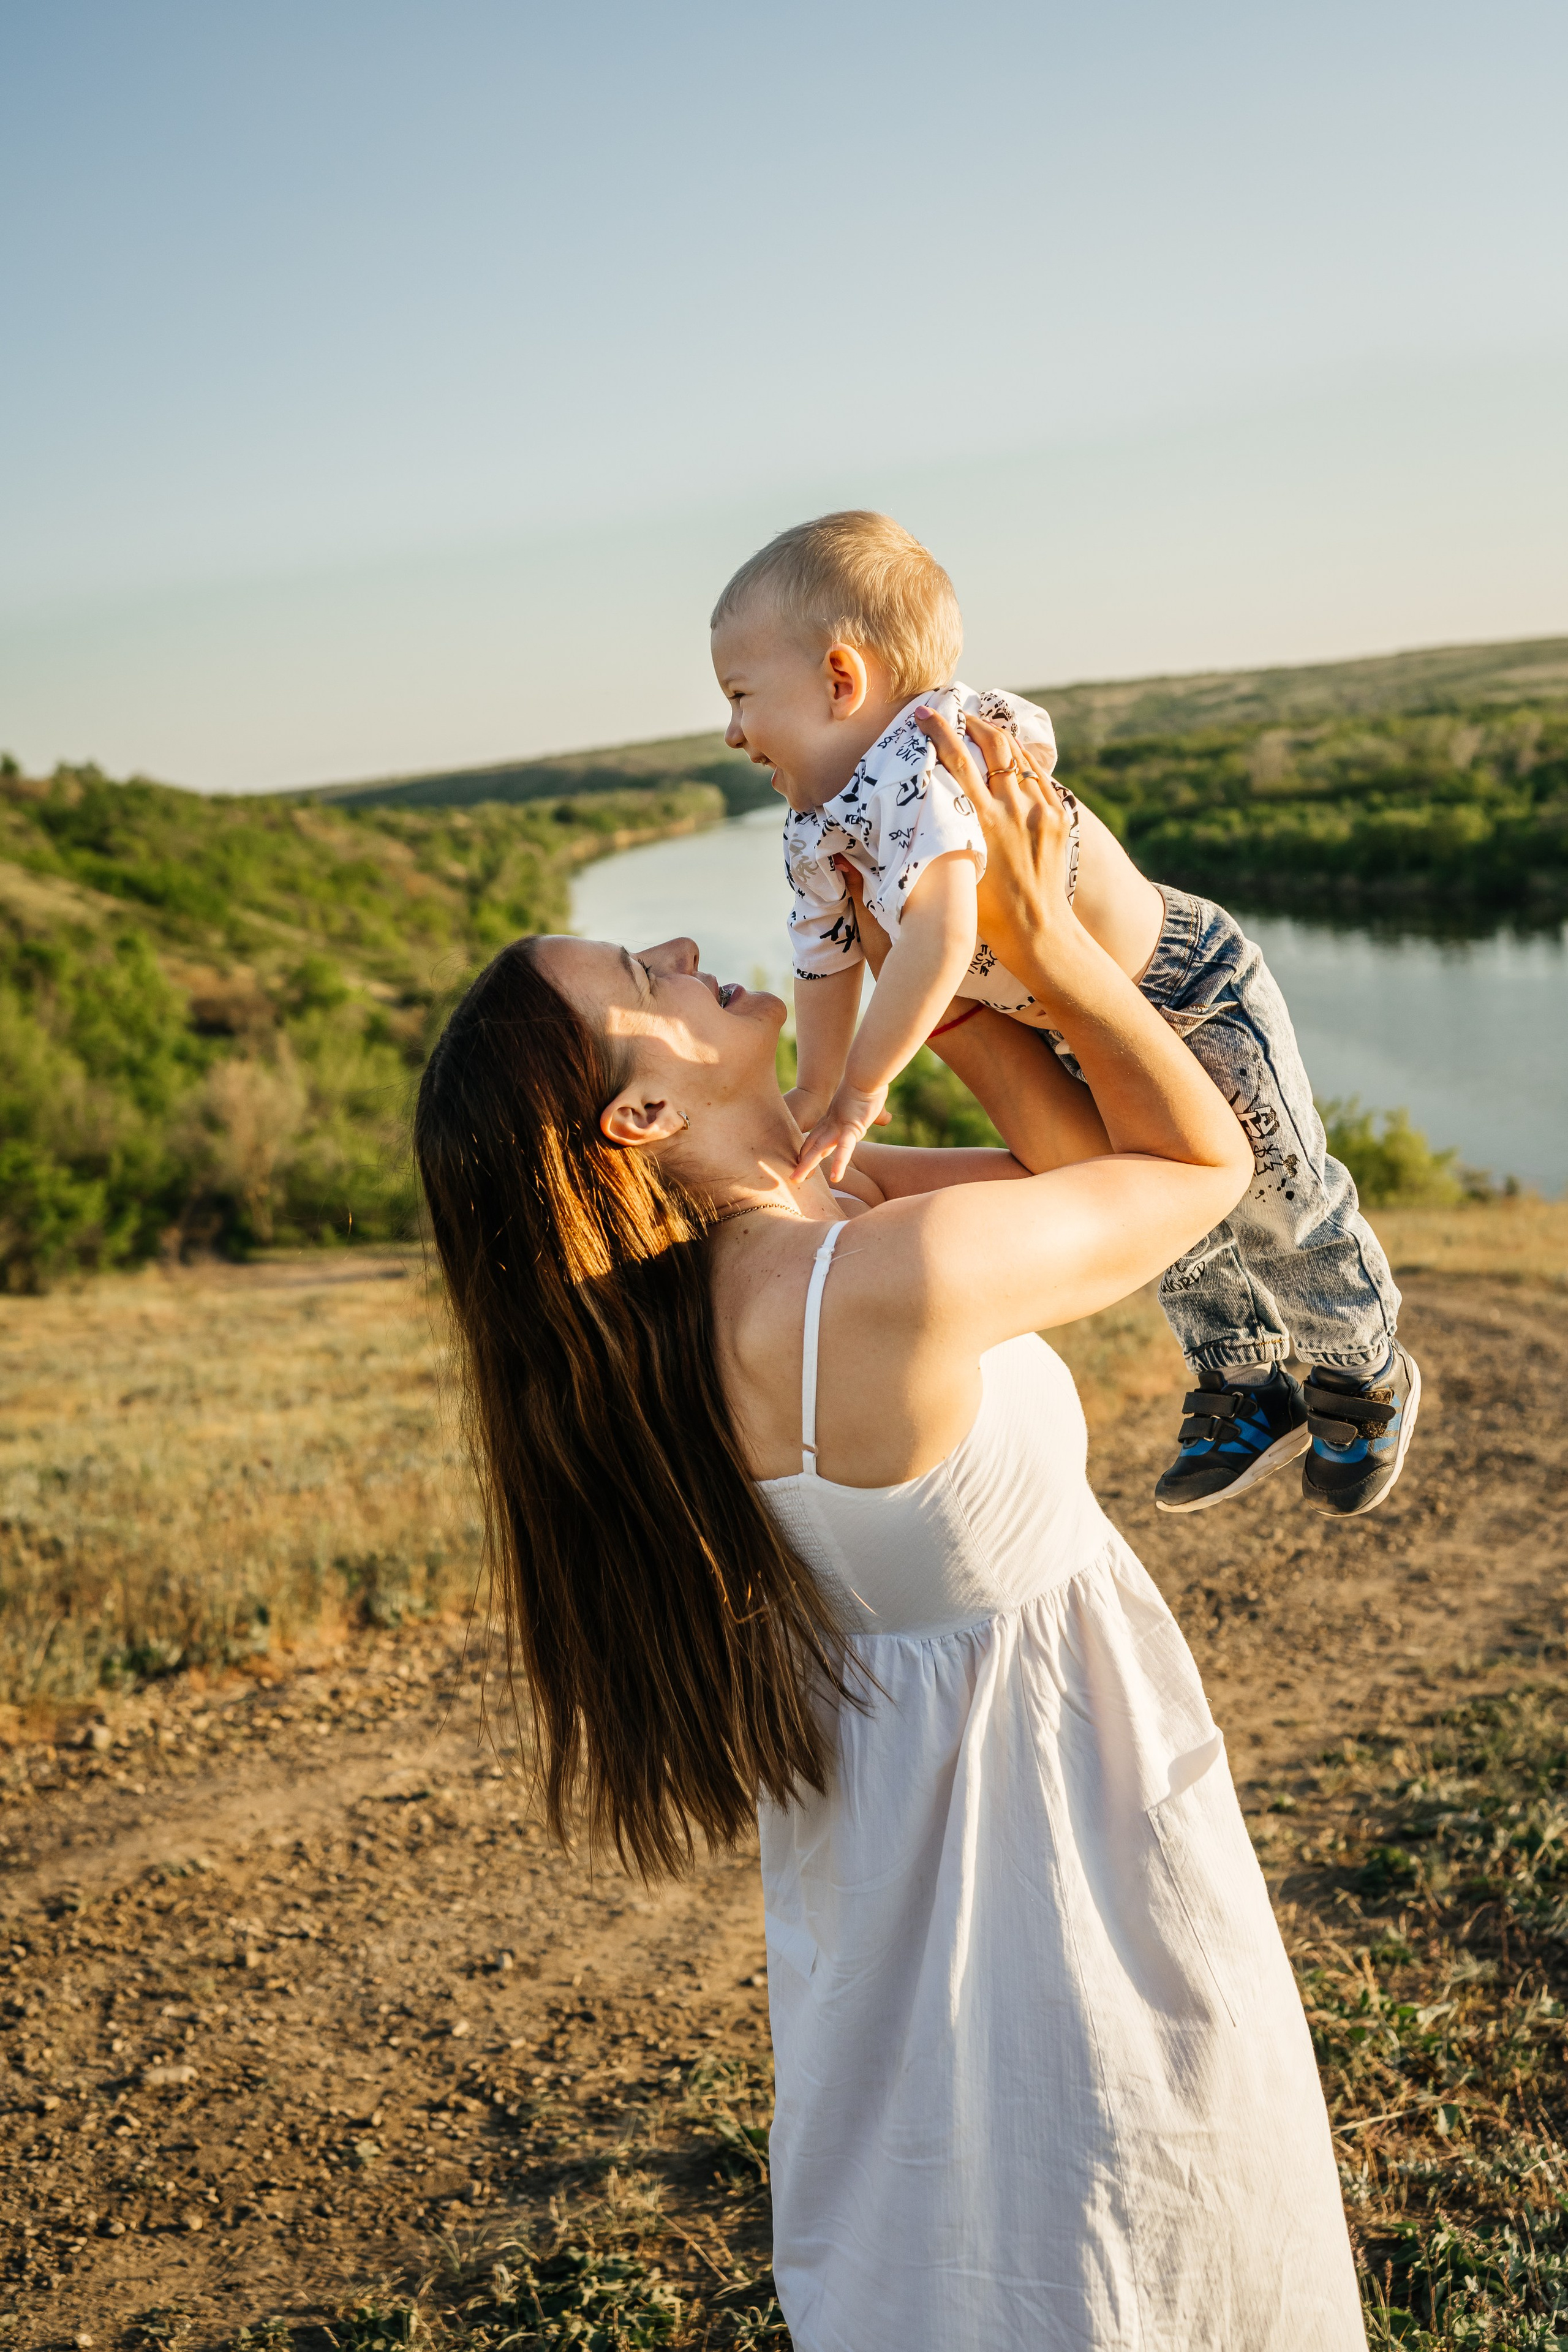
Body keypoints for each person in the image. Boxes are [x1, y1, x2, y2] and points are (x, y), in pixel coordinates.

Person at [413, 710, 1368, 2352]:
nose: (684, 944)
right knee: (1139, 2261)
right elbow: (1193, 1165)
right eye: (643, 978)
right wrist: (1042, 944)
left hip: (916, 1904)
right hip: (1063, 1899)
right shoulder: (853, 1289)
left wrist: (935, 965)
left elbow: (1059, 1160)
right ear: (637, 1119)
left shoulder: (757, 1262)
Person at [710, 508, 1420, 1520]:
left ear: (840, 680)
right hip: (1060, 1022)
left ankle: (1363, 1371)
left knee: (1276, 1194)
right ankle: (1244, 1381)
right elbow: (824, 962)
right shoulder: (815, 827)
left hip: (1184, 985)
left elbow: (941, 937)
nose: (732, 732)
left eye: (741, 697)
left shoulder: (931, 759)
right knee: (1159, 1208)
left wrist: (863, 1091)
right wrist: (814, 1088)